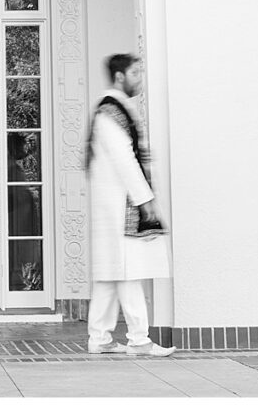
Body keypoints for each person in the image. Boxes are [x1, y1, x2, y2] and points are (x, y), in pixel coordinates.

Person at [84, 53, 175, 356]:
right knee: (127, 272)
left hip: (116, 204)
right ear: (120, 76)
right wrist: (146, 200)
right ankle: (140, 339)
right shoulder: (111, 113)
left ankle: (100, 337)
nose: (140, 79)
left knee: (111, 274)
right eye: (136, 73)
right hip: (120, 205)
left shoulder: (114, 110)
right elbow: (125, 159)